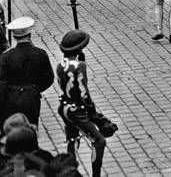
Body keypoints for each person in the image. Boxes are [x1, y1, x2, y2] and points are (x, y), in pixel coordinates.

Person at [55, 30, 117, 177]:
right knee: (99, 141)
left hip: (63, 106)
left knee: (72, 138)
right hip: (77, 110)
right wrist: (93, 113)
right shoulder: (79, 66)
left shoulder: (60, 65)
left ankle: (70, 171)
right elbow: (84, 93)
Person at [0, 18, 54, 126]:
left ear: (15, 37)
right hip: (31, 97)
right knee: (31, 127)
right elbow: (48, 78)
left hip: (11, 98)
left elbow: (2, 82)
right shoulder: (40, 53)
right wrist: (34, 88)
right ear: (29, 35)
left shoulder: (6, 56)